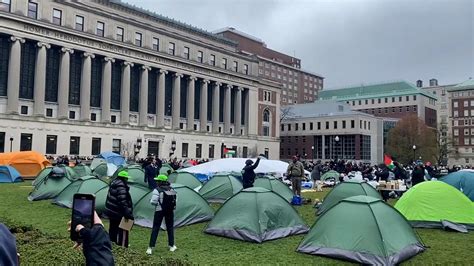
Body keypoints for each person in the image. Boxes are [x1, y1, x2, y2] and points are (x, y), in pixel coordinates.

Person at [146, 174, 177, 255]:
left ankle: (150, 247)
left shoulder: (157, 190)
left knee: (155, 228)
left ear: (160, 181)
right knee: (170, 228)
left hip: (159, 210)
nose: (156, 182)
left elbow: (153, 202)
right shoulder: (172, 189)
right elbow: (175, 200)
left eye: (157, 180)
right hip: (170, 211)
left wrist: (152, 202)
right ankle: (172, 245)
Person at [105, 170, 133, 248]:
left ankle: (111, 243)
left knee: (112, 228)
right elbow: (122, 200)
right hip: (117, 212)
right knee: (122, 229)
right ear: (124, 178)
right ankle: (122, 245)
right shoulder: (121, 186)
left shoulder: (114, 183)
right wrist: (127, 212)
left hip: (111, 210)